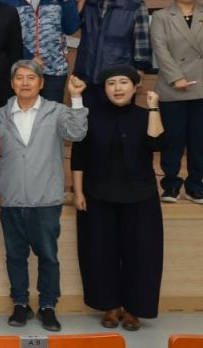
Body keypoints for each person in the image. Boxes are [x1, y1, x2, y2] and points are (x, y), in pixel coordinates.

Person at [0, 60, 87, 332]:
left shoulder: (56, 111)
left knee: (48, 256)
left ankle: (48, 305)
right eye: (19, 78)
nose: (25, 82)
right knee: (15, 256)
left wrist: (76, 98)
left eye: (31, 78)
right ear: (12, 83)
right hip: (11, 198)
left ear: (41, 83)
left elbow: (77, 133)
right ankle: (20, 303)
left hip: (46, 199)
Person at [72, 65, 164, 332]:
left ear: (135, 87)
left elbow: (157, 143)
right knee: (101, 252)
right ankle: (110, 306)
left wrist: (154, 107)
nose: (118, 88)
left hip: (141, 196)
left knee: (141, 254)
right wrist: (78, 192)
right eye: (111, 83)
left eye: (124, 82)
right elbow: (79, 155)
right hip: (98, 194)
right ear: (104, 89)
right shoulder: (92, 115)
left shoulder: (145, 115)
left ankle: (134, 309)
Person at [150, 0, 203, 203]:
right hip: (173, 86)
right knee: (173, 139)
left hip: (201, 85)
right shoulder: (161, 16)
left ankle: (195, 185)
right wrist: (176, 77)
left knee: (199, 140)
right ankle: (170, 184)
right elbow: (160, 49)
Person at [0, 0, 79, 103]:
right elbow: (4, 34)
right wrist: (28, 57)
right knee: (23, 115)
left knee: (51, 115)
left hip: (54, 70)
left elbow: (71, 27)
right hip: (21, 69)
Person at [74, 0, 152, 89]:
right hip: (85, 76)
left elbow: (142, 41)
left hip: (118, 78)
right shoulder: (87, 2)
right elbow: (72, 25)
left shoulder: (135, 5)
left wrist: (139, 71)